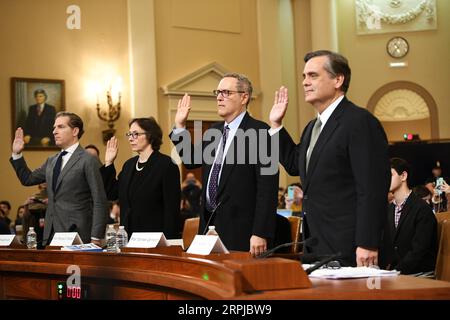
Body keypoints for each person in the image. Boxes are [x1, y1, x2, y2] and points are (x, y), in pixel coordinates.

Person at [269, 50, 390, 266]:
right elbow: (295, 165)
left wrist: (368, 242)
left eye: (313, 75)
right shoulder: (312, 127)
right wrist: (277, 126)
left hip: (352, 246)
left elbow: (371, 188)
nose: (305, 82)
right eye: (304, 77)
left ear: (338, 79)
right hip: (316, 243)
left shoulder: (359, 122)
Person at [171, 73, 279, 256]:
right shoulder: (214, 131)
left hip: (243, 232)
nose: (219, 97)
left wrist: (260, 232)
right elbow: (191, 161)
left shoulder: (261, 132)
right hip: (209, 228)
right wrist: (180, 126)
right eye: (218, 92)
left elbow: (267, 189)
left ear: (244, 97)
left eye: (226, 92)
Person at [10, 112, 108, 245]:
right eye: (54, 128)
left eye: (60, 127)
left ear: (75, 131)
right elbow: (28, 179)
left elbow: (99, 201)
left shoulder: (88, 159)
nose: (54, 131)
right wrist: (17, 154)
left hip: (78, 234)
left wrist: (96, 237)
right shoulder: (52, 161)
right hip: (50, 233)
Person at [101, 117, 180, 238]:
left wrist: (169, 243)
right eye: (129, 134)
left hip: (154, 239)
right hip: (128, 237)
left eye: (136, 134)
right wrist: (109, 162)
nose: (130, 138)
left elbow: (171, 210)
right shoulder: (129, 165)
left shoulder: (166, 164)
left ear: (150, 135)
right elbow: (112, 193)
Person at [379, 158, 437, 275]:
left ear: (403, 176)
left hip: (420, 274)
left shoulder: (422, 209)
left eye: (389, 174)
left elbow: (419, 250)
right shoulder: (389, 210)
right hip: (397, 274)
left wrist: (395, 272)